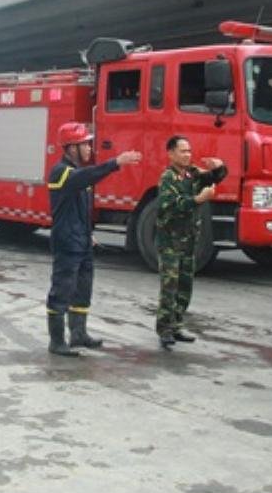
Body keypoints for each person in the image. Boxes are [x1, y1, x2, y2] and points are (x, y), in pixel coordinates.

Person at [44, 122, 141, 356]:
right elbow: (86, 177)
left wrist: (89, 235)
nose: (90, 148)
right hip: (67, 242)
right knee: (62, 290)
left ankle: (78, 334)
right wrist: (115, 163)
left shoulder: (79, 175)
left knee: (82, 289)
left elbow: (81, 209)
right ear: (70, 148)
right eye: (85, 144)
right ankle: (56, 342)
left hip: (82, 241)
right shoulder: (62, 172)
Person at [155, 136, 227, 349]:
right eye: (182, 151)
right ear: (171, 154)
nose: (187, 155)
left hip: (189, 240)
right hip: (170, 240)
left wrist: (220, 168)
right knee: (170, 285)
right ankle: (164, 329)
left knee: (185, 285)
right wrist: (197, 200)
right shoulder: (168, 178)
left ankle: (177, 324)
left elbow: (213, 178)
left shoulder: (192, 173)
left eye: (189, 151)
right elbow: (169, 205)